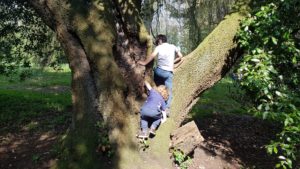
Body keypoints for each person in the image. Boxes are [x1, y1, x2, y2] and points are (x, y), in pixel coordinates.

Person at [138, 34, 183, 115]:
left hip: (159, 71)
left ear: (160, 41)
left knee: (158, 88)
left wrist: (144, 62)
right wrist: (172, 62)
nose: (157, 43)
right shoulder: (173, 46)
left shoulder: (159, 47)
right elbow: (180, 56)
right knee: (169, 90)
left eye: (157, 42)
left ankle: (156, 104)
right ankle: (167, 108)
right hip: (168, 72)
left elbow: (152, 56)